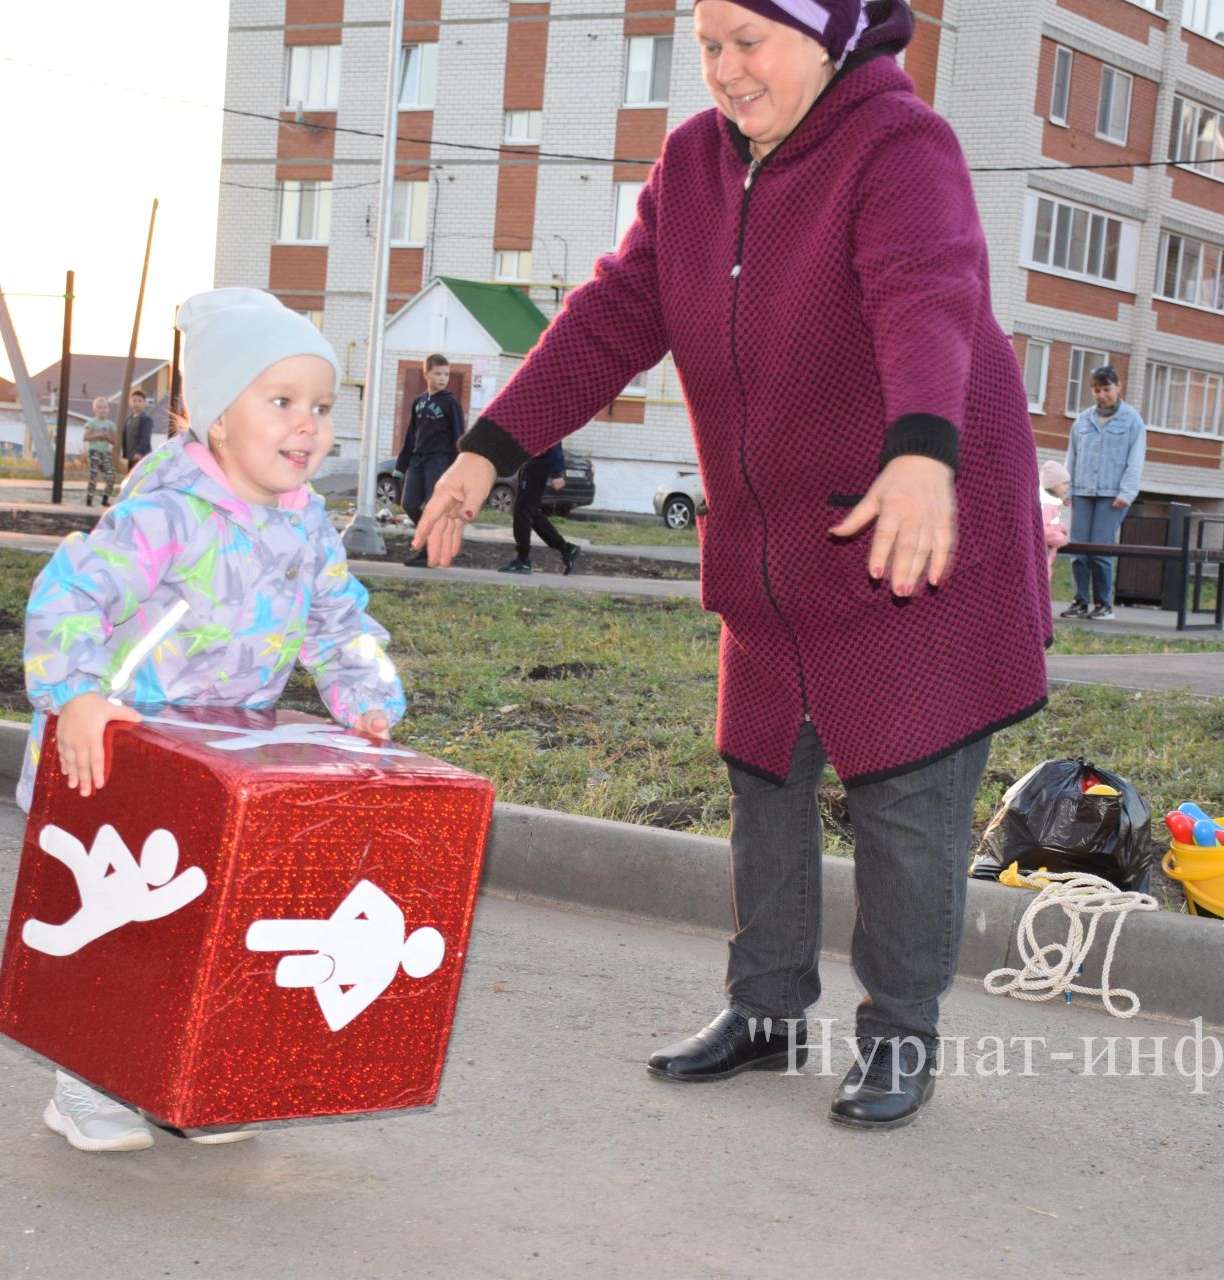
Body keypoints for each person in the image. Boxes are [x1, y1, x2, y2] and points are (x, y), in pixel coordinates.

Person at [413, 0, 1051, 1131]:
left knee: (906, 799)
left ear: (827, 34)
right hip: (777, 552)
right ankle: (766, 1012)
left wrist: (920, 453)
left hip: (909, 525)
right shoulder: (697, 164)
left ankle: (901, 1035)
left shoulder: (899, 147)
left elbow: (929, 293)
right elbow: (613, 314)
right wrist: (486, 449)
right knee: (764, 772)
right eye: (707, 44)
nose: (724, 70)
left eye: (748, 41)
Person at [18, 287, 406, 1152]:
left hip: (223, 758)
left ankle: (186, 1081)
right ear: (216, 420)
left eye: (320, 406)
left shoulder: (308, 529)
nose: (306, 425)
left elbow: (340, 624)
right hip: (119, 748)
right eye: (280, 402)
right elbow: (70, 593)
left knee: (209, 920)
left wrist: (368, 701)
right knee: (120, 924)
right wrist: (76, 695)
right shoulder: (165, 512)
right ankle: (87, 1082)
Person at [1059, 365, 1145, 622]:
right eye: (1096, 390)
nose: (1102, 395)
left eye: (1106, 389)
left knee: (1100, 548)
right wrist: (1067, 488)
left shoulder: (1132, 421)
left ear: (1118, 387)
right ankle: (1080, 601)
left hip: (1112, 495)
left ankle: (1104, 604)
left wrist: (1126, 493)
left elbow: (1136, 460)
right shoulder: (1083, 420)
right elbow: (1071, 455)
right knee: (1078, 548)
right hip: (1084, 491)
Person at [397, 353, 464, 567]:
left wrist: (457, 467)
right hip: (417, 460)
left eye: (446, 374)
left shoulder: (450, 402)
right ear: (426, 374)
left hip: (439, 460)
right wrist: (401, 465)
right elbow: (410, 435)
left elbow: (459, 435)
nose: (443, 378)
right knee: (409, 504)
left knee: (432, 507)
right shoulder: (418, 401)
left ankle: (429, 553)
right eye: (437, 374)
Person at [499, 441, 581, 574]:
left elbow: (556, 441)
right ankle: (566, 549)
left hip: (538, 467)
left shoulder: (550, 421)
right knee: (532, 513)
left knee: (522, 512)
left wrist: (557, 473)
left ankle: (523, 560)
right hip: (532, 465)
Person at [81, 395, 117, 507]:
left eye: (105, 407)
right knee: (93, 475)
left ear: (108, 409)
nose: (103, 410)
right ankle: (89, 500)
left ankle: (105, 499)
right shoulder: (91, 423)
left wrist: (107, 438)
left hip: (105, 452)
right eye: (100, 408)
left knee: (111, 475)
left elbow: (114, 441)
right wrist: (98, 434)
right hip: (94, 451)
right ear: (95, 410)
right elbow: (85, 437)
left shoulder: (110, 425)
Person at [1039, 458, 1070, 576]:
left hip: (1044, 559)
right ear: (1052, 484)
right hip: (1041, 558)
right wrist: (1060, 538)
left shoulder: (1051, 503)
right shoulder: (1048, 505)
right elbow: (1044, 530)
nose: (1067, 487)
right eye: (1064, 483)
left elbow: (1051, 524)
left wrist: (1061, 528)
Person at [120, 387, 155, 470]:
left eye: (140, 401)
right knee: (130, 477)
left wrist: (139, 452)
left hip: (141, 456)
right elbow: (126, 436)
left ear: (145, 403)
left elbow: (145, 438)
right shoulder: (129, 419)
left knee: (140, 480)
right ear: (130, 402)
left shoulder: (146, 419)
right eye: (134, 400)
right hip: (131, 456)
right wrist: (124, 452)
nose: (136, 403)